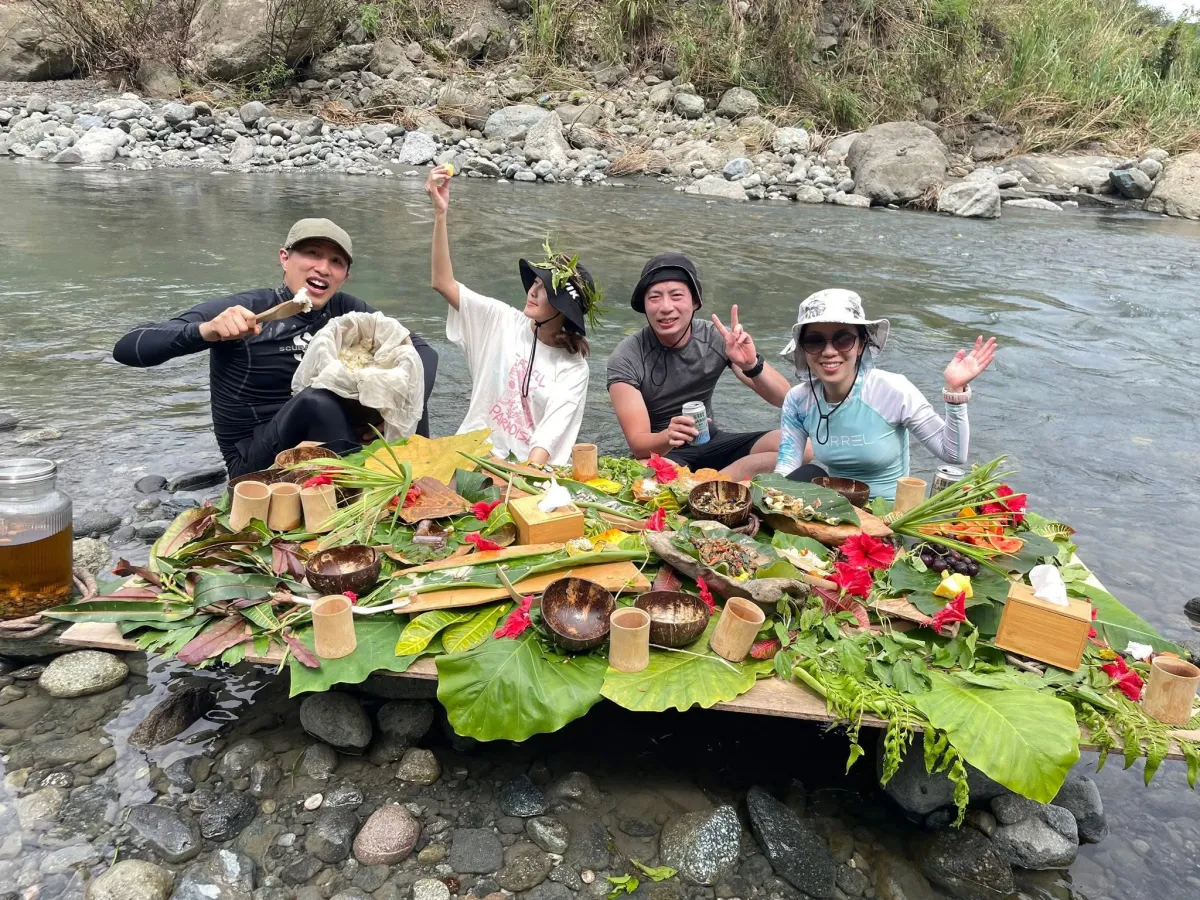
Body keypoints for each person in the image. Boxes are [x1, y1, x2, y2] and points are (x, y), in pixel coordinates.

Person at [113, 218, 439, 478]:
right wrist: (206, 331)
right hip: (257, 459)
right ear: (285, 258)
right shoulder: (250, 308)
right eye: (312, 253)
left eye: (335, 261)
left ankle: (417, 482)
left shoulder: (347, 312)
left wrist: (392, 416)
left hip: (333, 437)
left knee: (407, 371)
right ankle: (364, 501)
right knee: (318, 399)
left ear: (345, 275)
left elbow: (424, 351)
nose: (323, 268)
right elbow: (128, 348)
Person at [424, 165, 599, 466]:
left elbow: (549, 435)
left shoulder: (573, 368)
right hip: (471, 455)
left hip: (527, 468)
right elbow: (443, 283)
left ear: (563, 310)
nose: (532, 291)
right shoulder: (501, 321)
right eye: (534, 282)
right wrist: (440, 214)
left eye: (545, 289)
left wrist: (524, 475)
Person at [774, 289, 998, 500]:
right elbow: (787, 468)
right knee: (807, 473)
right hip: (833, 510)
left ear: (861, 344)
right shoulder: (798, 400)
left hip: (891, 515)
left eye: (843, 339)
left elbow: (953, 455)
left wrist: (955, 391)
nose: (829, 351)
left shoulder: (892, 390)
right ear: (803, 348)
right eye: (815, 341)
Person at [607, 253, 792, 481]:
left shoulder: (714, 337)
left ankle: (710, 484)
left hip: (711, 440)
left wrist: (751, 364)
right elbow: (638, 445)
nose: (666, 307)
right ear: (644, 305)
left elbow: (785, 399)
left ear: (695, 302)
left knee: (799, 446)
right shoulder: (627, 356)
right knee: (645, 473)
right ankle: (711, 486)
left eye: (677, 296)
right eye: (654, 297)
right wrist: (668, 435)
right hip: (666, 451)